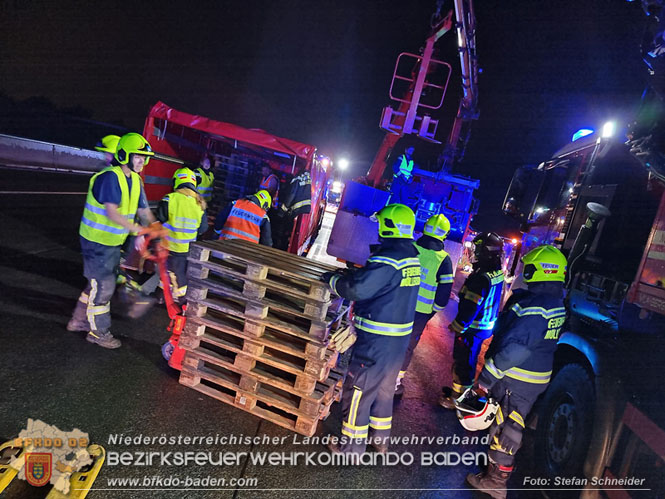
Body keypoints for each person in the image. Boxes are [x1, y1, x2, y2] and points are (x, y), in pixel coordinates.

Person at [466, 245, 567, 498]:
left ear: (540, 271)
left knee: (507, 429)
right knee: (511, 422)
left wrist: (487, 376)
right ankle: (495, 474)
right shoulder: (553, 301)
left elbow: (517, 349)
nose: (525, 272)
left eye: (529, 268)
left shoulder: (535, 306)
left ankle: (496, 483)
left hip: (517, 377)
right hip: (532, 378)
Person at [322, 204, 421, 454]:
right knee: (384, 391)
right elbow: (384, 284)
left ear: (389, 227)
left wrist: (334, 281)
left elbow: (358, 290)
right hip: (396, 342)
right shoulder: (410, 255)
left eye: (380, 223)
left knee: (358, 390)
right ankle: (379, 440)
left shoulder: (388, 257)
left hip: (377, 342)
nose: (377, 228)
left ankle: (351, 449)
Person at [67, 132, 156, 349]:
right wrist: (137, 229)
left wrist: (156, 228)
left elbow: (143, 210)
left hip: (112, 242)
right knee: (105, 286)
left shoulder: (136, 180)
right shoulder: (110, 177)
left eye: (145, 157)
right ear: (125, 154)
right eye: (138, 157)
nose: (142, 161)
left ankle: (78, 321)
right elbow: (112, 213)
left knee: (96, 284)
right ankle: (98, 333)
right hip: (96, 242)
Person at [439, 232, 505, 408]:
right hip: (483, 327)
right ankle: (460, 393)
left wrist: (458, 325)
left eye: (477, 249)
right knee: (469, 360)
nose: (474, 253)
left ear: (486, 252)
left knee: (463, 362)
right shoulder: (495, 273)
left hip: (472, 328)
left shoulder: (481, 277)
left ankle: (458, 399)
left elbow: (471, 306)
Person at [394, 214, 454, 397]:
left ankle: (376, 372)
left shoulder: (410, 248)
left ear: (425, 228)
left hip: (397, 304)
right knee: (407, 345)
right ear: (445, 235)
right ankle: (395, 383)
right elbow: (444, 293)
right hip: (420, 313)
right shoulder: (444, 259)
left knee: (389, 338)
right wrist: (432, 310)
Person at [155, 167, 207, 303]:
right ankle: (167, 298)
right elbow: (203, 229)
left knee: (171, 274)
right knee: (178, 274)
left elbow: (159, 218)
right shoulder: (199, 204)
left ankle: (179, 302)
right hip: (187, 250)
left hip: (169, 247)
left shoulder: (170, 199)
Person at [273, 169, 311, 250]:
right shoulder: (307, 180)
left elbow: (291, 195)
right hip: (304, 211)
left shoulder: (296, 180)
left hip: (296, 211)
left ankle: (282, 246)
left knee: (286, 230)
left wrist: (281, 212)